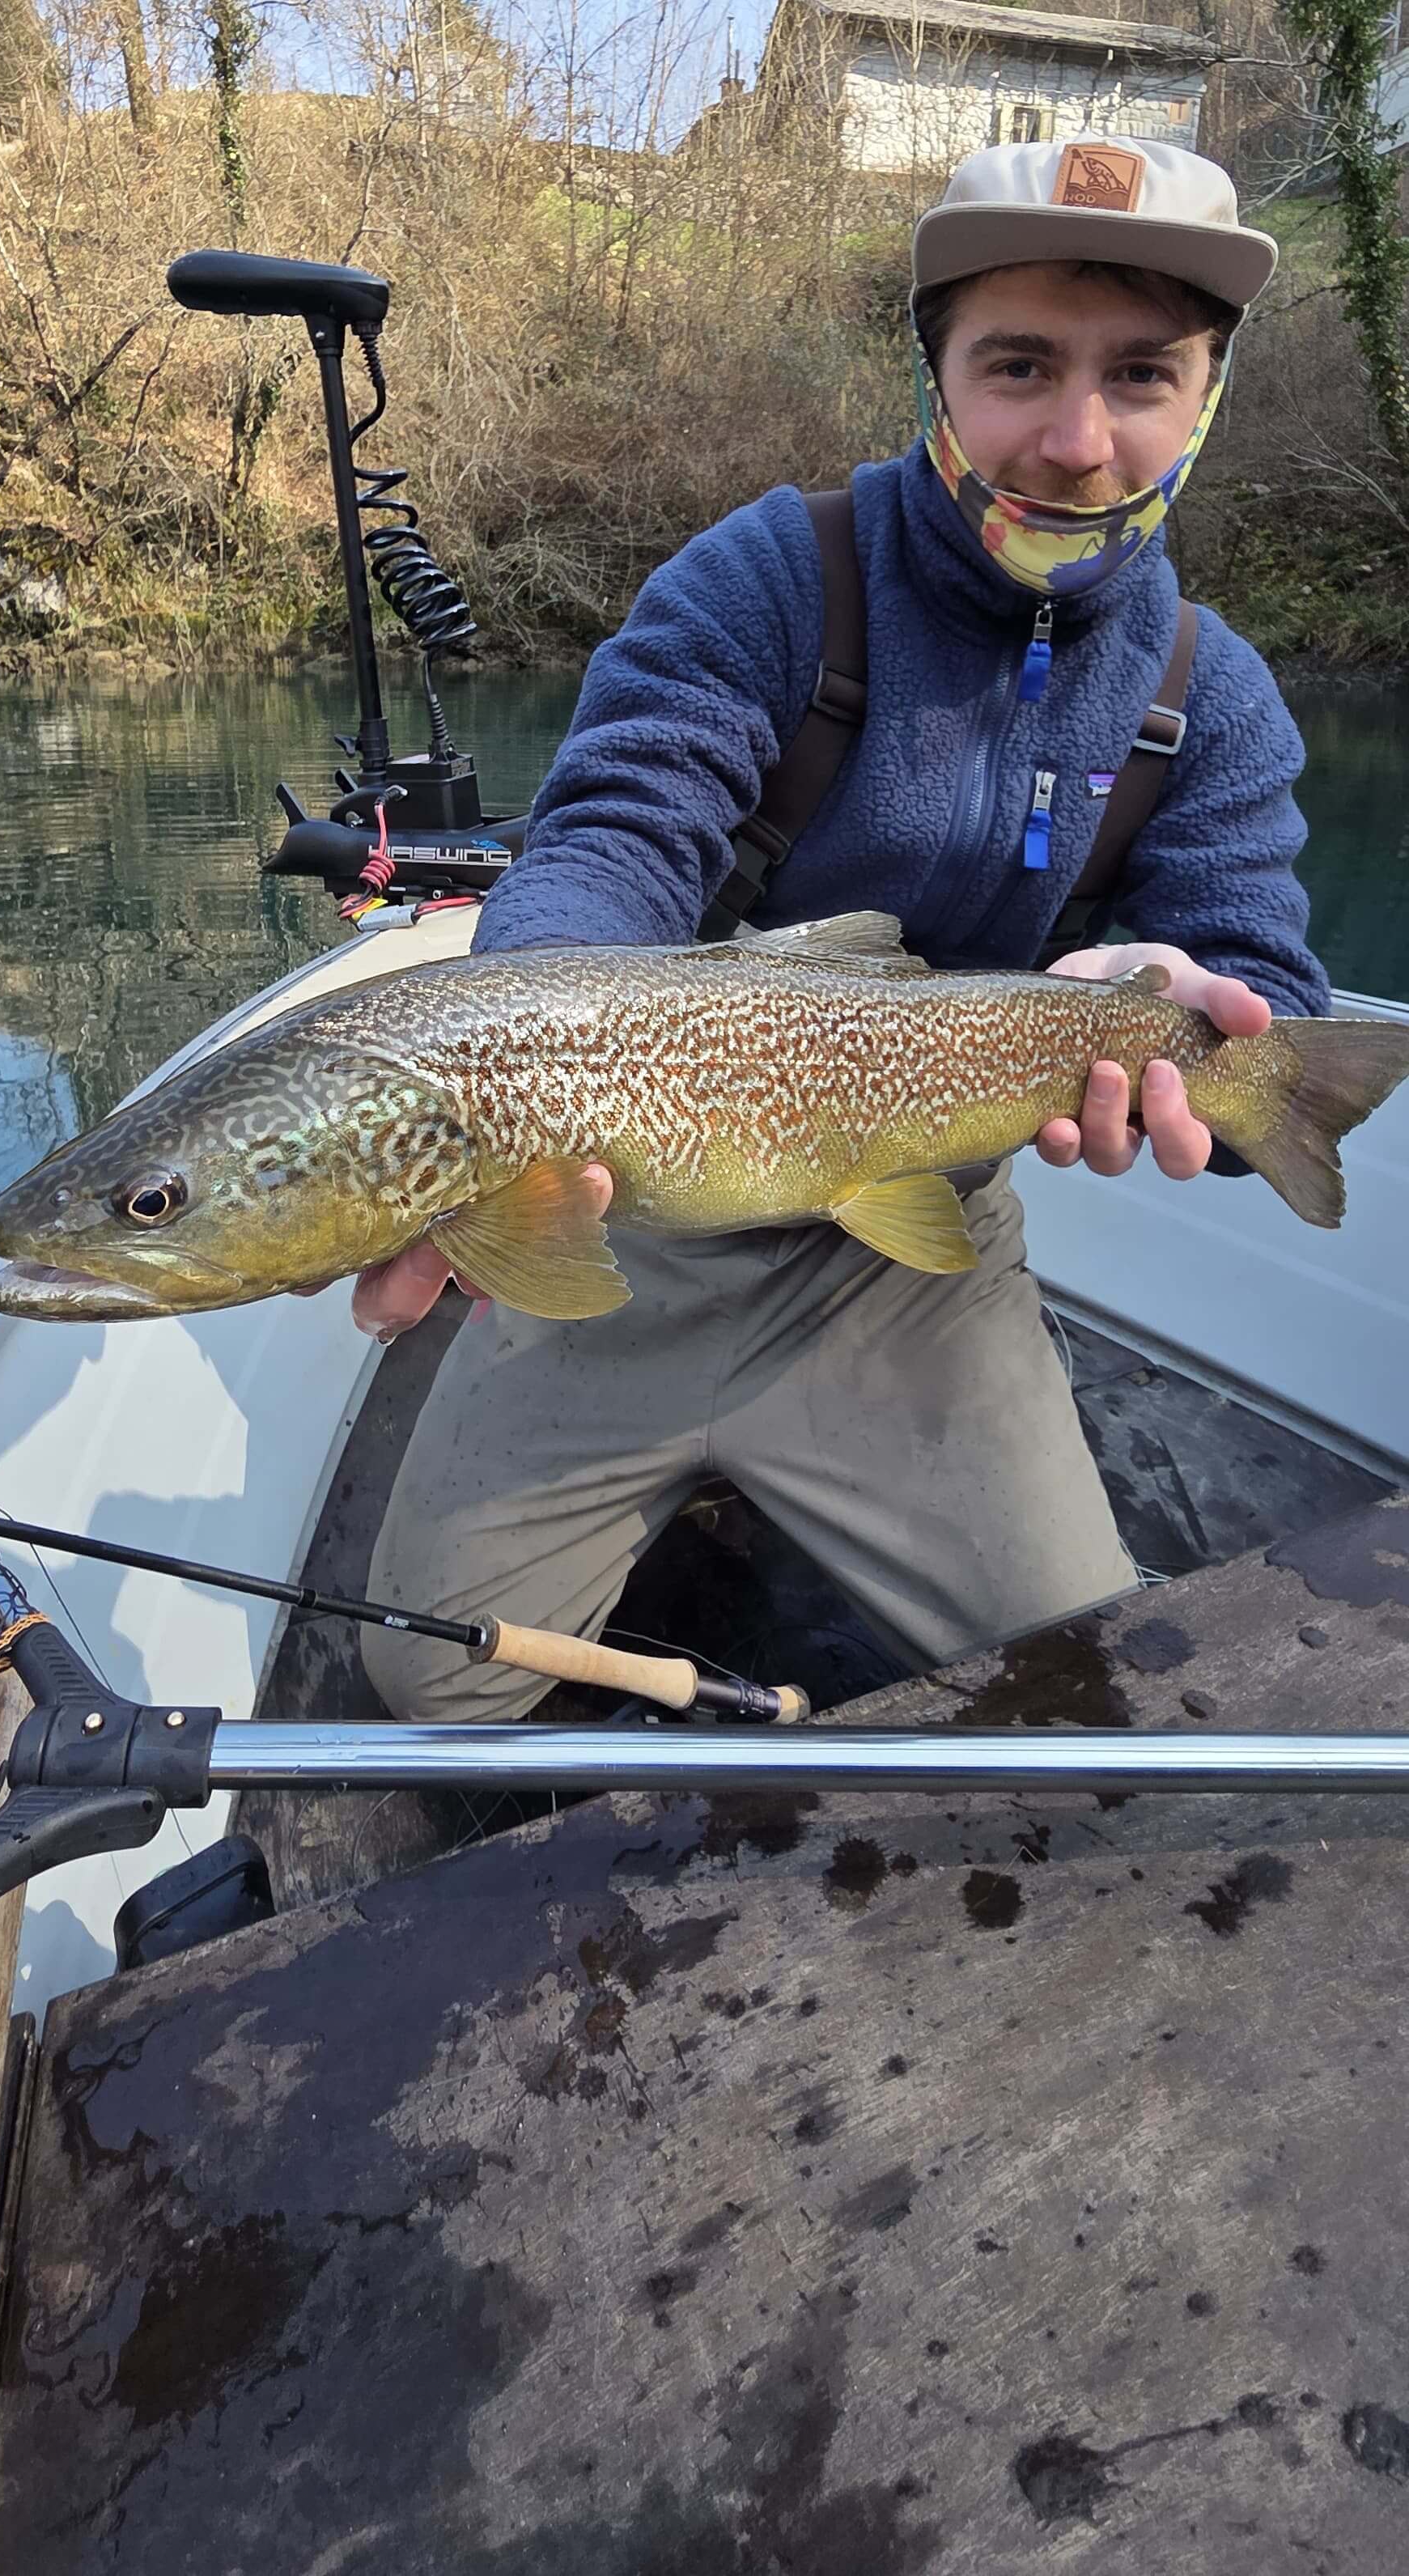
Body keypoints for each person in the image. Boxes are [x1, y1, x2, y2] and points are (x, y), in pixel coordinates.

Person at [354, 134, 1327, 1719]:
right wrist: (497, 1066)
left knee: (1078, 1678)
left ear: (1205, 397)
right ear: (936, 367)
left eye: (1142, 374)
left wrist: (1186, 1009)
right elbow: (609, 846)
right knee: (416, 1676)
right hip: (641, 1235)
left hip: (920, 1260)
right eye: (1019, 364)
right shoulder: (766, 582)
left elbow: (1260, 975)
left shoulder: (1207, 698)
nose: (1078, 438)